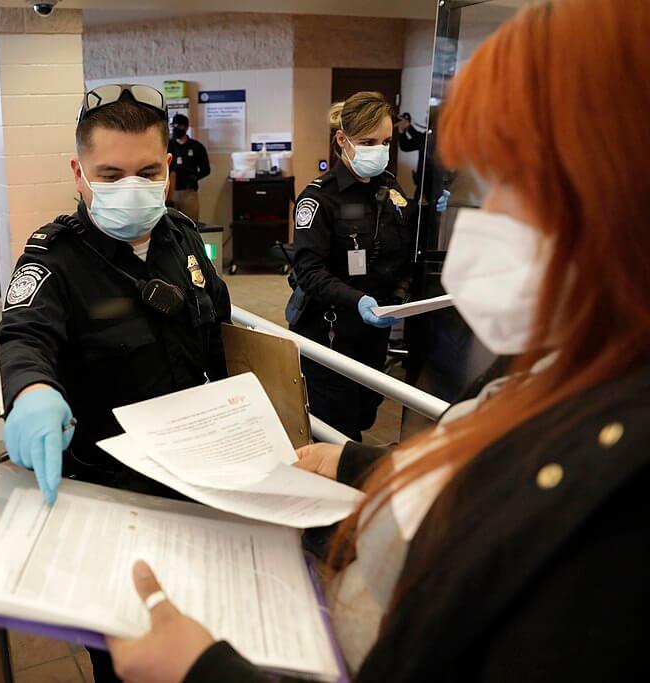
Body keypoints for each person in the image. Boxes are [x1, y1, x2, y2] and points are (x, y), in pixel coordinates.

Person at [105, 1, 650, 680]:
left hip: (375, 339)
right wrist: (360, 464)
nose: (491, 217)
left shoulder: (613, 513)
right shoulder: (555, 371)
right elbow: (475, 463)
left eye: (516, 180)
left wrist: (204, 671)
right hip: (334, 330)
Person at [0, 83, 230, 682]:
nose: (133, 186)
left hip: (197, 483)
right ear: (79, 173)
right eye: (111, 172)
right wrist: (32, 393)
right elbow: (24, 336)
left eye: (148, 171)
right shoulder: (54, 257)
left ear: (168, 169)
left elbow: (220, 336)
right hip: (111, 496)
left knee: (202, 635)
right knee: (129, 659)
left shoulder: (181, 236)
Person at [287, 92, 414, 441]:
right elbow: (308, 271)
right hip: (330, 330)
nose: (380, 150)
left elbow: (403, 251)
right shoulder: (319, 198)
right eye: (368, 142)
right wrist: (357, 300)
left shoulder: (389, 190)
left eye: (386, 142)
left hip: (374, 331)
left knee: (364, 411)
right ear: (342, 141)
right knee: (335, 425)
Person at [166, 113, 210, 221]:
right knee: (170, 224)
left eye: (179, 126)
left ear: (186, 127)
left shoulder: (196, 147)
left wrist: (194, 177)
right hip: (171, 192)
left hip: (189, 192)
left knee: (191, 224)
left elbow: (206, 169)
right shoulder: (167, 145)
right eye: (173, 126)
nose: (176, 128)